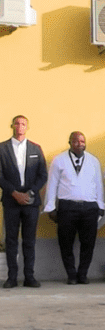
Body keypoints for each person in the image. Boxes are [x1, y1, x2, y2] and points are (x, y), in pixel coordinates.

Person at [43, 131, 105, 284]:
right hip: (67, 207)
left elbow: (98, 184)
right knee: (65, 243)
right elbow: (52, 184)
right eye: (76, 141)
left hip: (89, 207)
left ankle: (83, 274)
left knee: (88, 243)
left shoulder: (93, 161)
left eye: (82, 141)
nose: (79, 144)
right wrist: (50, 207)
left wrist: (101, 205)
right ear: (69, 143)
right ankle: (71, 275)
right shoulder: (59, 160)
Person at [0, 115, 48, 288]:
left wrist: (30, 192)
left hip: (31, 201)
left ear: (27, 127)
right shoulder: (2, 148)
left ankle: (29, 276)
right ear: (11, 125)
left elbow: (43, 174)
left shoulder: (35, 148)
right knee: (11, 240)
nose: (20, 126)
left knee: (29, 240)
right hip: (11, 201)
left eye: (23, 124)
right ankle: (12, 277)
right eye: (17, 123)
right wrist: (14, 193)